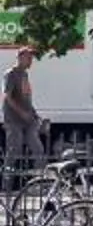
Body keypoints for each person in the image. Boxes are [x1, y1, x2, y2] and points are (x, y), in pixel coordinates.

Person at [3, 45, 46, 176]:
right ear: (20, 58)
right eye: (28, 58)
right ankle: (7, 185)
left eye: (31, 58)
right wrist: (21, 113)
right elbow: (8, 97)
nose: (31, 61)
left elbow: (26, 99)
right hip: (14, 120)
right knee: (14, 151)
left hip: (28, 120)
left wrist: (35, 115)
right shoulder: (11, 74)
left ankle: (40, 181)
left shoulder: (25, 75)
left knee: (38, 149)